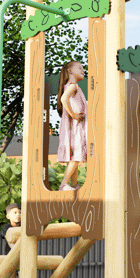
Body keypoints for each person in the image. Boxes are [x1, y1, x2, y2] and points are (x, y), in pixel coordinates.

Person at [56, 60, 87, 191]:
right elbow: (64, 99)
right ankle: (64, 184)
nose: (83, 70)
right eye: (79, 67)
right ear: (70, 71)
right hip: (76, 125)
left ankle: (73, 184)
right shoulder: (73, 85)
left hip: (74, 125)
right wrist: (73, 114)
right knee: (78, 154)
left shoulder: (72, 86)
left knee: (75, 155)